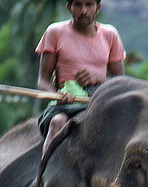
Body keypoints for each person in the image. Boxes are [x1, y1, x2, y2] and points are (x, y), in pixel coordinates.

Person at [35, 0, 125, 153]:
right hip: (66, 104)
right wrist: (58, 95)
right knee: (57, 122)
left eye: (89, 5)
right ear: (69, 7)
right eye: (77, 5)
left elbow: (121, 81)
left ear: (98, 8)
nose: (83, 11)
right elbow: (42, 81)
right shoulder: (55, 32)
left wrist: (98, 78)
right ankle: (43, 172)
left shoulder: (110, 35)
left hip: (99, 101)